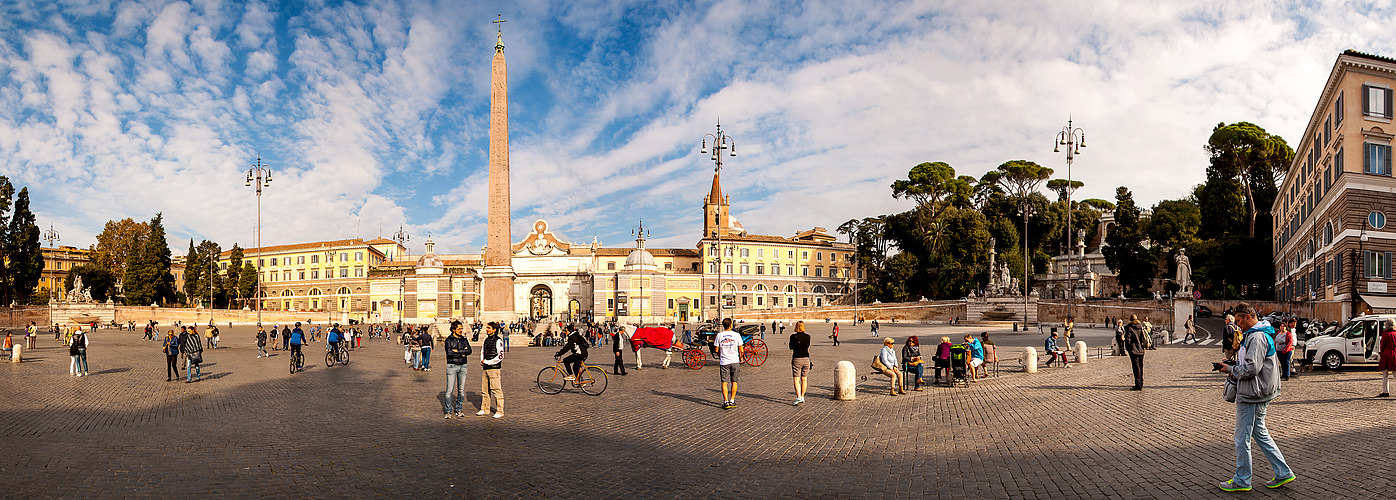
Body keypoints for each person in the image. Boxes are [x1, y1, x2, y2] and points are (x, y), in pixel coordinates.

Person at [1217, 302, 1295, 492]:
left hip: (1253, 392)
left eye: (1238, 321)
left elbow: (1252, 368)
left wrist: (1231, 369)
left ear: (1247, 317)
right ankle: (1283, 472)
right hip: (1259, 391)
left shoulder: (1257, 337)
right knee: (1259, 432)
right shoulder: (1257, 334)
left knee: (1241, 437)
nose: (1237, 325)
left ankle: (1242, 479)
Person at [443, 320, 473, 418]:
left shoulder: (464, 339)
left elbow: (469, 350)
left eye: (461, 328)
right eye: (459, 328)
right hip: (452, 366)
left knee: (461, 390)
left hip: (463, 366)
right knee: (449, 390)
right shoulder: (449, 340)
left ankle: (459, 409)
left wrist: (457, 351)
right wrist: (462, 352)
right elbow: (449, 353)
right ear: (453, 329)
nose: (461, 330)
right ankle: (448, 411)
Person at [477, 322, 505, 418]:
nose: (487, 329)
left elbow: (500, 356)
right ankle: (485, 409)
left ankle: (500, 411)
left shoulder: (498, 341)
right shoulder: (486, 340)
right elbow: (483, 351)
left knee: (496, 390)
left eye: (489, 328)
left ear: (494, 330)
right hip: (485, 367)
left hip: (494, 368)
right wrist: (482, 360)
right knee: (485, 390)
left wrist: (488, 362)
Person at [715, 318, 743, 409]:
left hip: (724, 361)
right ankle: (732, 400)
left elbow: (716, 350)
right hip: (734, 361)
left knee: (724, 382)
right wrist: (740, 357)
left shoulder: (719, 335)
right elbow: (741, 350)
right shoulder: (736, 335)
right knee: (734, 381)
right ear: (731, 325)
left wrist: (721, 356)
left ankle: (726, 401)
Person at [790, 321, 811, 405]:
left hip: (797, 359)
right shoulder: (808, 336)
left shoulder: (793, 336)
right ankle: (802, 396)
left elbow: (791, 347)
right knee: (804, 379)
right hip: (806, 359)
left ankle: (798, 397)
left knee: (796, 379)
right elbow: (807, 346)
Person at [1123, 314, 1146, 390]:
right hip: (1141, 350)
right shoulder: (1140, 327)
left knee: (1136, 368)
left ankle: (1138, 384)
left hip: (1134, 350)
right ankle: (1141, 383)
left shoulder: (1129, 328)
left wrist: (1128, 349)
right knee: (1140, 367)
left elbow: (1127, 340)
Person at [1378, 320, 1396, 398]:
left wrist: (1381, 354)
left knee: (1385, 374)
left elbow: (1382, 346)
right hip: (1395, 354)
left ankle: (1386, 391)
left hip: (1386, 355)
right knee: (1395, 374)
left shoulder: (1385, 334)